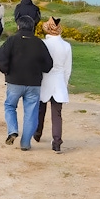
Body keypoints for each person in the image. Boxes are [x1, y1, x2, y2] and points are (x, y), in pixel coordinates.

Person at [0, 15, 53, 151]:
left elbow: (0, 56)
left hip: (14, 81)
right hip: (34, 83)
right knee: (31, 113)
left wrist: (6, 71)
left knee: (10, 106)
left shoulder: (12, 40)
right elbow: (48, 65)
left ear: (18, 26)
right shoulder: (39, 43)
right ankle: (25, 143)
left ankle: (12, 130)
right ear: (32, 27)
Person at [34, 17, 72, 153]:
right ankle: (57, 141)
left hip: (45, 79)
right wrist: (65, 83)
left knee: (40, 110)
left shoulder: (43, 44)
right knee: (57, 114)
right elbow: (68, 68)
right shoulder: (66, 46)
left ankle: (37, 133)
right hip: (59, 80)